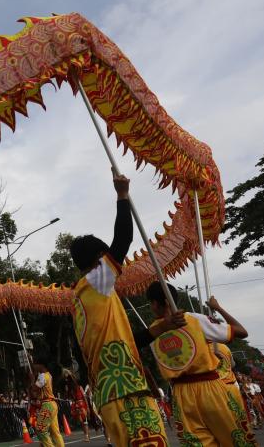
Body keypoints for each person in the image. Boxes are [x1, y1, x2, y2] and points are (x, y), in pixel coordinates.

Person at [68, 172, 178, 446]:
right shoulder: (95, 282)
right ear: (98, 261)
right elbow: (123, 241)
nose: (115, 266)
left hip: (109, 392)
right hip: (125, 389)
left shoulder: (80, 300)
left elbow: (128, 341)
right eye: (106, 258)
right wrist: (122, 196)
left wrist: (164, 326)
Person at [146, 284, 255, 446]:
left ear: (158, 303)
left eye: (151, 302)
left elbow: (241, 332)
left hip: (184, 395)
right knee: (236, 441)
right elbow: (241, 331)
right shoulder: (193, 320)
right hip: (207, 390)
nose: (151, 307)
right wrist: (217, 308)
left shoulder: (153, 330)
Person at [27, 360, 63, 447]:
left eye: (35, 364)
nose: (34, 366)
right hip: (52, 404)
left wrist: (32, 380)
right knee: (55, 431)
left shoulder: (43, 376)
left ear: (41, 365)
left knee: (40, 430)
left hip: (47, 405)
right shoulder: (48, 375)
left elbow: (34, 389)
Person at [64, 374, 89, 442]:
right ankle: (86, 435)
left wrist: (88, 406)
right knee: (82, 421)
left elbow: (84, 397)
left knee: (84, 421)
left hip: (81, 404)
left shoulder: (79, 387)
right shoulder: (70, 389)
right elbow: (67, 398)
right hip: (76, 405)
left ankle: (86, 435)